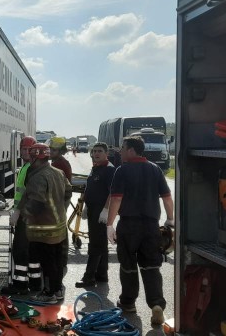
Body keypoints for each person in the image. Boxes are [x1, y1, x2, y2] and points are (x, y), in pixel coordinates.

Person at [105, 136, 175, 326]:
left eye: (122, 148)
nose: (120, 151)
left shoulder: (122, 170)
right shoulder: (155, 169)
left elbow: (116, 199)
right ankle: (156, 305)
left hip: (129, 226)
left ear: (131, 150)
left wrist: (109, 224)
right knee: (152, 266)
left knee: (128, 265)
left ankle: (128, 303)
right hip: (151, 226)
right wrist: (170, 219)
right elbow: (167, 198)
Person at [19, 143, 72, 303]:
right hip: (58, 228)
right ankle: (57, 291)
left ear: (35, 157)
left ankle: (49, 294)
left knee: (47, 263)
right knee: (55, 262)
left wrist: (22, 216)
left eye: (32, 157)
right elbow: (68, 191)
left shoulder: (38, 177)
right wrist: (61, 207)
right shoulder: (58, 172)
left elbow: (36, 202)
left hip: (44, 229)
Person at [1, 136, 43, 295]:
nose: (25, 152)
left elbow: (28, 194)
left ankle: (20, 285)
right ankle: (35, 283)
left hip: (26, 215)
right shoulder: (28, 166)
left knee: (20, 250)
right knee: (31, 251)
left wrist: (18, 212)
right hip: (30, 215)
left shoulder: (30, 168)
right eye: (23, 149)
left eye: (28, 150)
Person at [75, 143, 115, 288]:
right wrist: (86, 205)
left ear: (106, 153)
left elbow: (112, 192)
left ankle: (89, 277)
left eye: (100, 151)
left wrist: (105, 210)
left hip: (101, 211)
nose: (96, 153)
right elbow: (90, 187)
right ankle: (102, 274)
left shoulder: (109, 170)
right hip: (93, 209)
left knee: (95, 244)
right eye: (94, 151)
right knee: (101, 243)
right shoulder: (96, 167)